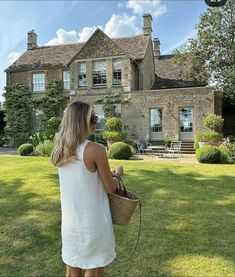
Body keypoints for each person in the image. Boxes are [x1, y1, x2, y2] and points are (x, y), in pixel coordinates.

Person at [51, 100, 124, 277]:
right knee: (95, 267)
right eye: (92, 118)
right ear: (80, 121)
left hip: (70, 223)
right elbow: (110, 188)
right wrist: (117, 174)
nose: (96, 121)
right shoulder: (96, 150)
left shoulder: (61, 150)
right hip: (93, 222)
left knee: (72, 268)